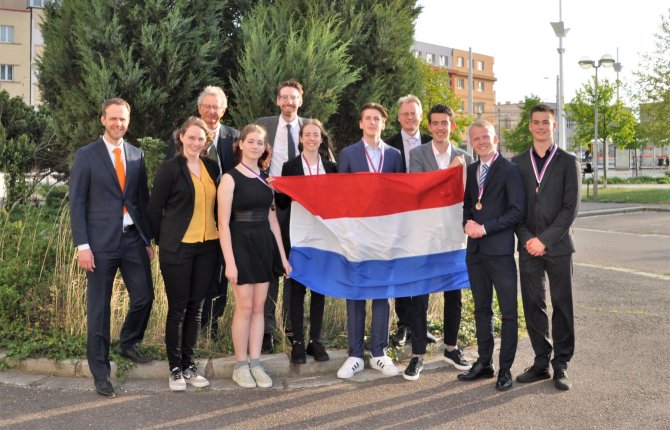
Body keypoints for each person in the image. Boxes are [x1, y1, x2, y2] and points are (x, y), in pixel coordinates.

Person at [69, 98, 154, 398]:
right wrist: (83, 246)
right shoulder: (86, 156)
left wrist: (147, 240)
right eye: (113, 119)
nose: (119, 124)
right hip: (99, 244)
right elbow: (77, 203)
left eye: (123, 119)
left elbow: (141, 200)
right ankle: (101, 373)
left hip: (132, 239)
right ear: (103, 120)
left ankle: (128, 343)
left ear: (128, 121)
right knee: (99, 310)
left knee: (145, 296)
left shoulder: (136, 154)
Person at [147, 117, 220, 391]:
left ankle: (190, 365)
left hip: (208, 248)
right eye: (191, 137)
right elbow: (155, 209)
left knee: (196, 309)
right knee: (178, 309)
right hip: (177, 248)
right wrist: (157, 241)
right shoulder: (169, 169)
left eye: (200, 139)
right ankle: (175, 369)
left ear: (206, 142)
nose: (195, 143)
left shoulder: (212, 167)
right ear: (181, 138)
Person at [512, 104, 581, 391]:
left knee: (562, 305)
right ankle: (541, 361)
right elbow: (514, 208)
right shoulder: (517, 163)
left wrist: (545, 240)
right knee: (533, 304)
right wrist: (529, 239)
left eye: (546, 122)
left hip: (559, 247)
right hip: (528, 246)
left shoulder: (568, 161)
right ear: (530, 126)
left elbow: (570, 208)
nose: (540, 126)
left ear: (554, 126)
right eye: (536, 122)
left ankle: (561, 365)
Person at [403, 103, 473, 380]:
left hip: (455, 236)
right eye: (436, 123)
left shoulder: (465, 157)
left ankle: (452, 348)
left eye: (445, 123)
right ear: (429, 127)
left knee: (453, 293)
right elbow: (418, 190)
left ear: (451, 126)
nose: (441, 128)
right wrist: (449, 173)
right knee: (420, 294)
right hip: (425, 236)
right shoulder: (417, 154)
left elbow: (470, 195)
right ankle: (418, 353)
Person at [218, 124, 291, 388]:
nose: (255, 146)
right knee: (245, 307)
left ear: (264, 148)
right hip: (240, 246)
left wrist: (282, 257)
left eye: (260, 143)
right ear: (240, 144)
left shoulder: (265, 178)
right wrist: (230, 262)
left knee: (260, 308)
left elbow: (273, 220)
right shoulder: (229, 178)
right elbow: (223, 224)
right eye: (251, 141)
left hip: (264, 246)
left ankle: (256, 362)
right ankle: (240, 365)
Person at [336, 102, 403, 379]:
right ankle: (354, 355)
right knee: (356, 293)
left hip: (385, 235)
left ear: (383, 124)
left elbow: (401, 196)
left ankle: (379, 353)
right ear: (360, 123)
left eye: (377, 118)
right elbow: (340, 195)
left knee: (382, 293)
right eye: (368, 118)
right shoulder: (348, 154)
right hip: (357, 234)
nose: (373, 122)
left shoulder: (395, 156)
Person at [167, 86, 240, 341]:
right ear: (199, 109)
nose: (211, 111)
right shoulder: (182, 137)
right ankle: (189, 326)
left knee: (219, 274)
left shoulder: (234, 138)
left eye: (217, 106)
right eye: (207, 106)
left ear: (224, 109)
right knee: (192, 276)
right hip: (192, 222)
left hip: (226, 222)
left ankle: (211, 325)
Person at [456, 120, 524, 390]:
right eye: (476, 138)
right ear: (471, 142)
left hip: (500, 253)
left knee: (508, 313)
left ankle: (505, 369)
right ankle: (485, 363)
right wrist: (467, 224)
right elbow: (468, 205)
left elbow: (517, 212)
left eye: (486, 137)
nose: (481, 142)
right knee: (481, 309)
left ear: (495, 139)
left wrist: (484, 228)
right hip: (475, 253)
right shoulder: (472, 170)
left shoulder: (510, 170)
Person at [275, 119, 337, 364]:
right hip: (298, 236)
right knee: (297, 289)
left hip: (323, 237)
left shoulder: (332, 168)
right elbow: (281, 205)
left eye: (316, 135)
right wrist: (279, 190)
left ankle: (316, 341)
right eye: (307, 135)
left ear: (321, 139)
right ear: (301, 139)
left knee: (319, 289)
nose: (312, 139)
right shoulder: (290, 167)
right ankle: (298, 342)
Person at [255, 79, 306, 352]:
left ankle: (292, 326)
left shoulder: (309, 128)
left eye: (293, 97)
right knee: (270, 266)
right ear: (277, 101)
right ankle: (267, 329)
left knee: (293, 267)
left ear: (301, 101)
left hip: (300, 209)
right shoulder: (264, 125)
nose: (288, 102)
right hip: (269, 205)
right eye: (284, 97)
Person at [384, 95, 436, 347]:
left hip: (427, 218)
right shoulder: (388, 145)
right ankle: (404, 324)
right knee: (402, 270)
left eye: (413, 114)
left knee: (424, 270)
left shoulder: (432, 142)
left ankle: (420, 325)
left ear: (420, 115)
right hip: (399, 218)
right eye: (405, 114)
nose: (409, 118)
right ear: (398, 117)